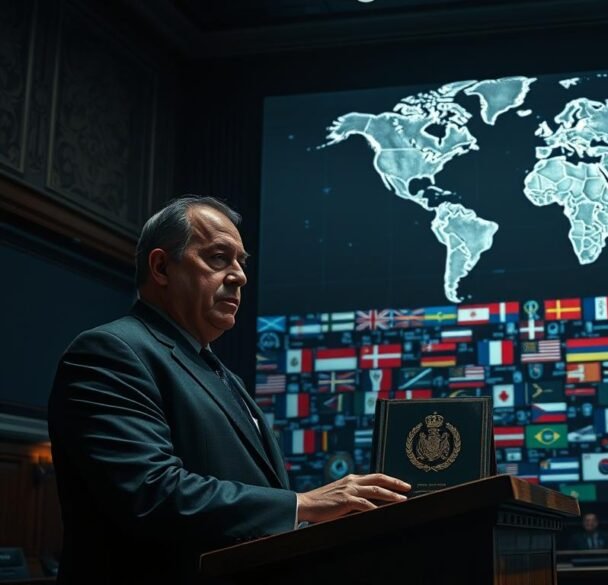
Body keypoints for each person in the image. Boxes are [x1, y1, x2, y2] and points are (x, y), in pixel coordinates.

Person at [48, 196, 411, 584]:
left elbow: (254, 501)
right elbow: (150, 493)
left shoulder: (219, 371)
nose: (239, 276)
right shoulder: (111, 351)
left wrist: (333, 523)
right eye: (219, 258)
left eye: (241, 262)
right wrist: (303, 505)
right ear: (161, 266)